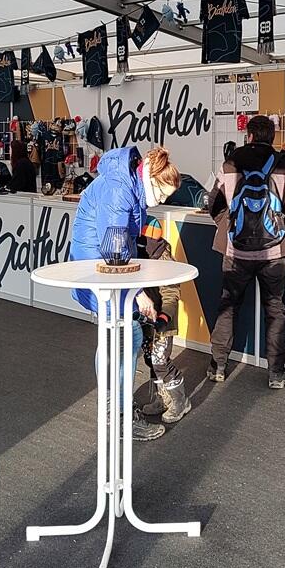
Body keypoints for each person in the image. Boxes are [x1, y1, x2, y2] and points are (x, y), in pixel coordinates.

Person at [71, 146, 181, 441]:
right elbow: (114, 251)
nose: (161, 201)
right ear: (152, 178)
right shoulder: (121, 190)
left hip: (98, 268)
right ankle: (119, 416)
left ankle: (113, 411)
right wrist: (139, 293)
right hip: (101, 270)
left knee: (115, 339)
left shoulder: (125, 183)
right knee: (124, 338)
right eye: (162, 194)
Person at [208, 115, 285, 389]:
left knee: (228, 306)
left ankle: (218, 366)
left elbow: (213, 202)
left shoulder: (230, 163)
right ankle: (276, 373)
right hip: (273, 252)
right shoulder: (284, 163)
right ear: (272, 137)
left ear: (249, 136)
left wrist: (228, 226)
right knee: (275, 309)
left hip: (236, 252)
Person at [137, 228, 191, 423]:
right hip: (145, 320)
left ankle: (180, 401)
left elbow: (171, 292)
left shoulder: (162, 258)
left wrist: (163, 318)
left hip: (162, 320)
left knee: (160, 360)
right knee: (150, 359)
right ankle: (162, 397)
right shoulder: (135, 253)